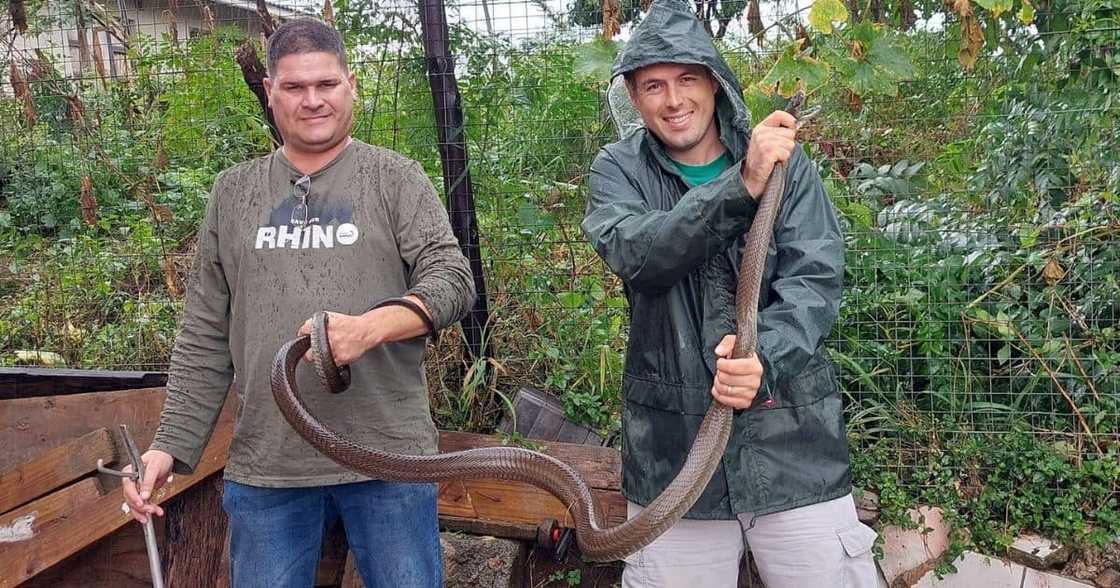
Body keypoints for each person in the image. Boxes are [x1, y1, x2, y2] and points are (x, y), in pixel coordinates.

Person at [120, 18, 475, 588]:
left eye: (326, 84)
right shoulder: (233, 193)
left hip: (390, 459)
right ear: (269, 92)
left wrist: (371, 329)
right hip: (270, 468)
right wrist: (169, 445)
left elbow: (453, 279)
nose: (313, 101)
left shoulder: (395, 179)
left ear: (350, 85)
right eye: (294, 87)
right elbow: (206, 332)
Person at [581, 1, 881, 586]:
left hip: (794, 449)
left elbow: (815, 278)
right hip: (674, 459)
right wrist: (741, 185)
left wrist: (762, 358)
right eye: (653, 86)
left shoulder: (788, 168)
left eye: (687, 79)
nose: (674, 100)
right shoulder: (616, 171)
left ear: (715, 83)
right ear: (635, 98)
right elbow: (639, 254)